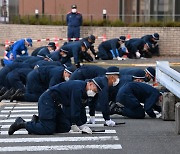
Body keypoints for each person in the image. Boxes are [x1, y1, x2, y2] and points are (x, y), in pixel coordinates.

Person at [8, 77, 104, 135]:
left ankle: (37, 123)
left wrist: (75, 123)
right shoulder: (78, 89)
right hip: (47, 100)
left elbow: (73, 107)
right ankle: (22, 123)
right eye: (95, 90)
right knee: (48, 129)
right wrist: (81, 126)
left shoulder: (82, 89)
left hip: (55, 104)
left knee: (65, 127)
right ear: (90, 84)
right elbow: (75, 109)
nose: (94, 93)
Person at [10, 66, 75, 102]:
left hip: (37, 77)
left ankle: (12, 93)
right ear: (65, 72)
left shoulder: (60, 72)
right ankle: (19, 96)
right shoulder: (57, 75)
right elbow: (51, 89)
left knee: (34, 93)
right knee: (39, 96)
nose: (68, 78)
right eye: (69, 76)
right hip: (35, 78)